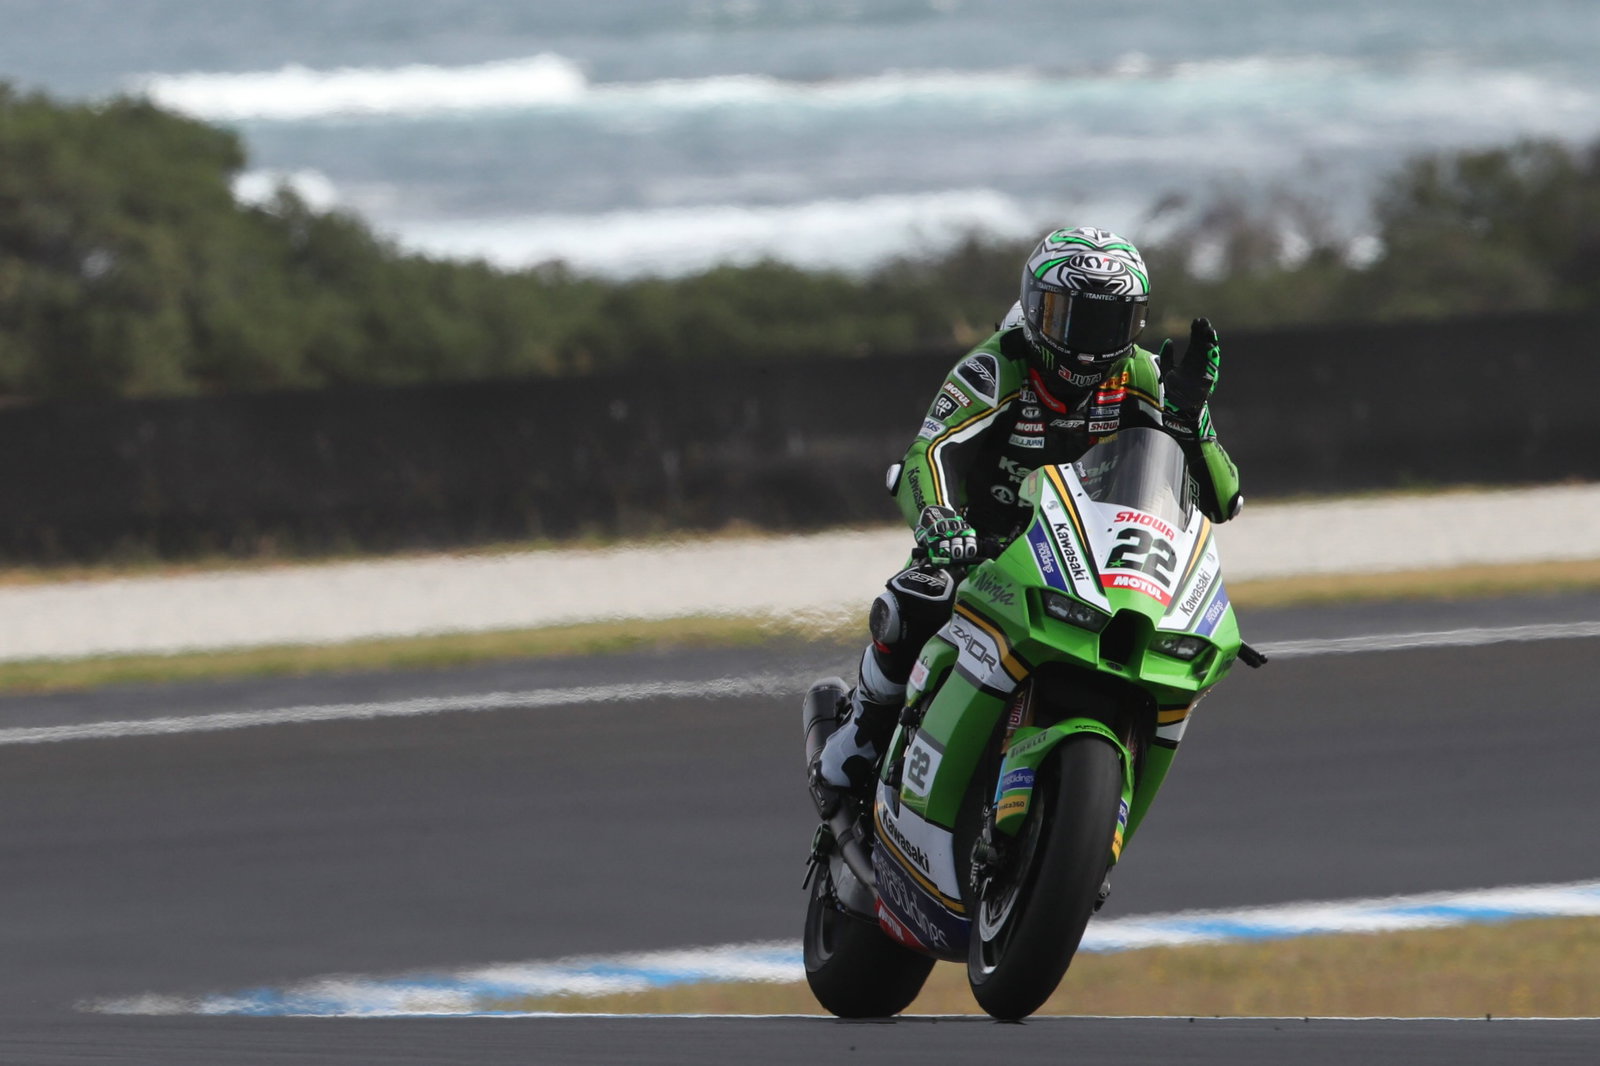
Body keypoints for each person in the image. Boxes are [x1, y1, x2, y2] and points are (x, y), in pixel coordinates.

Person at [813, 225, 1243, 799]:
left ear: (1134, 324)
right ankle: (863, 733)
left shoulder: (1141, 374)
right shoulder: (999, 365)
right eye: (1072, 319)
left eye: (1107, 323)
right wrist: (939, 519)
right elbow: (928, 452)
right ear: (1037, 310)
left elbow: (1223, 498)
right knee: (913, 599)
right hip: (986, 548)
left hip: (1093, 558)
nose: (1088, 345)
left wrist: (1194, 423)